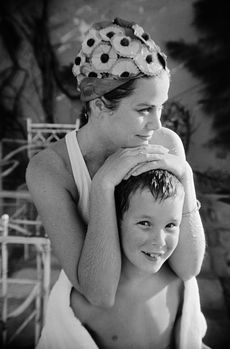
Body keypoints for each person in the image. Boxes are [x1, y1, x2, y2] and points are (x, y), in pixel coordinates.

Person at [25, 16, 206, 344]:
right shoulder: (51, 170)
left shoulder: (165, 144)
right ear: (98, 105)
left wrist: (186, 176)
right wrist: (104, 184)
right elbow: (99, 292)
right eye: (144, 109)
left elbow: (189, 267)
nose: (156, 123)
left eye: (160, 108)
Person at [36, 169, 208, 349]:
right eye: (145, 224)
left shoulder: (178, 284)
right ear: (115, 221)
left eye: (170, 225)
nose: (159, 241)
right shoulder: (82, 303)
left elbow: (191, 340)